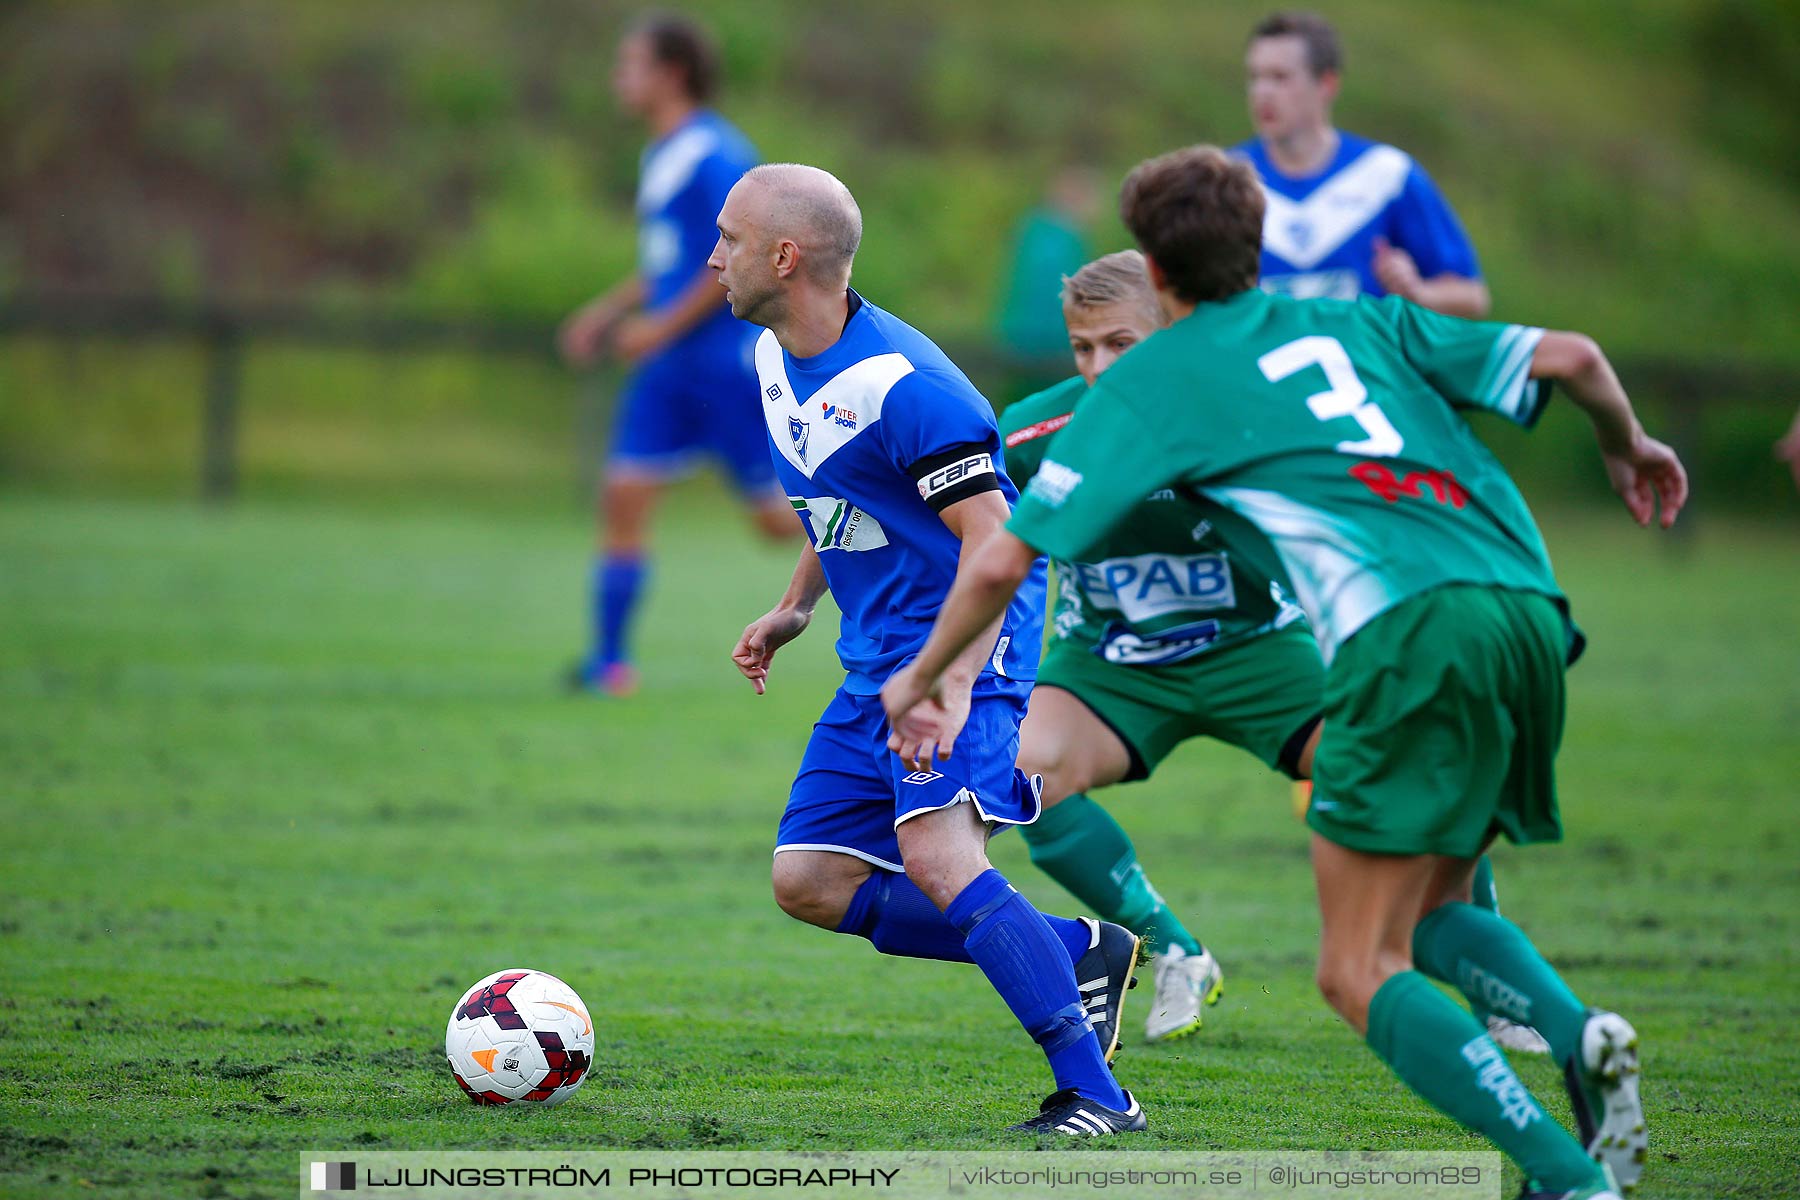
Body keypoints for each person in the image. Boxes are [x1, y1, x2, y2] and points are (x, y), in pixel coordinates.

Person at [884, 146, 1687, 1197]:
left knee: (1358, 969)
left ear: (1159, 283)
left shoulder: (1160, 385)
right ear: (1262, 247)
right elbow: (1575, 356)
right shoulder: (1359, 321)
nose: (1099, 361)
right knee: (1430, 909)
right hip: (1529, 607)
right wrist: (1629, 446)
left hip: (1397, 632)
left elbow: (998, 553)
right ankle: (1574, 1041)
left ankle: (1565, 1174)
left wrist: (927, 676)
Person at [1007, 251, 1545, 1055]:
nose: (1099, 368)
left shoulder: (1249, 414)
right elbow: (930, 503)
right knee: (1025, 775)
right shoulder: (1035, 433)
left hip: (1261, 652)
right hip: (1110, 662)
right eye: (1084, 348)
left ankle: (1500, 991)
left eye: (1121, 343)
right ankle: (1173, 949)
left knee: (1406, 776)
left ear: (1176, 330)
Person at [713, 162, 1146, 1136]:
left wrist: (949, 681)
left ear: (786, 256)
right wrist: (794, 605)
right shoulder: (776, 358)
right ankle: (1071, 949)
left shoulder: (907, 389)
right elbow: (847, 501)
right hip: (882, 654)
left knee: (939, 855)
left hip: (966, 641)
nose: (714, 257)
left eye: (729, 238)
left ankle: (1099, 1095)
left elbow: (992, 543)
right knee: (812, 881)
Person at [559, 13, 795, 695]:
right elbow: (670, 264)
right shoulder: (659, 154)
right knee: (622, 494)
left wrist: (656, 328)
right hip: (668, 371)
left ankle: (902, 547)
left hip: (722, 365)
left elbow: (725, 264)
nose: (618, 78)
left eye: (630, 64)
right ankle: (609, 665)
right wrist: (608, 311)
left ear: (672, 73)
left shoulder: (717, 156)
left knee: (778, 525)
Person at [1240, 11, 1489, 317]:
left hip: (1365, 365)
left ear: (1326, 84)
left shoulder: (1386, 175)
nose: (1262, 93)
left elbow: (1472, 298)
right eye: (1255, 77)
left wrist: (1418, 292)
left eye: (1280, 77)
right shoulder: (1225, 181)